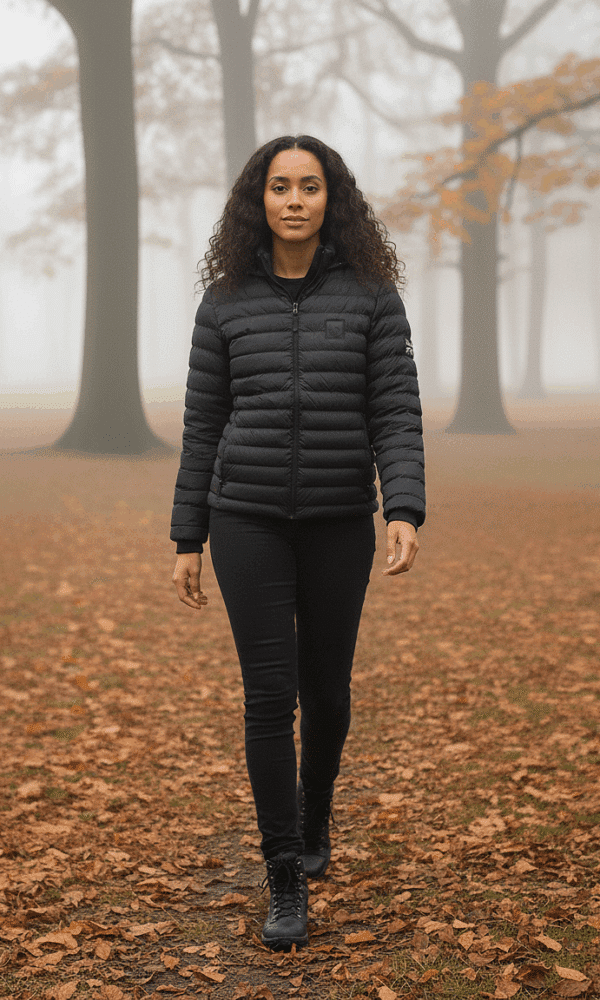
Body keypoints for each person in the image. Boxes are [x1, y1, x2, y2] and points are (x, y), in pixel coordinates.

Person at [171, 135, 425, 952]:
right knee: (267, 697)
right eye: (279, 186)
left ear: (331, 199)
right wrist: (188, 534)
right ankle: (283, 869)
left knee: (329, 692)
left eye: (309, 187)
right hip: (244, 518)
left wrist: (404, 508)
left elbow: (395, 409)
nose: (293, 200)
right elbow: (203, 423)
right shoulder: (224, 302)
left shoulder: (375, 298)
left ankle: (315, 810)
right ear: (259, 199)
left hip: (338, 521)